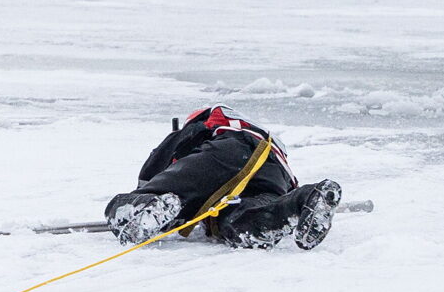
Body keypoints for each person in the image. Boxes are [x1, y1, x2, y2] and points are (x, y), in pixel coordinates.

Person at [105, 105, 343, 250]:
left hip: (230, 151)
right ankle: (303, 201)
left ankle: (142, 211)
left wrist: (148, 190)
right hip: (275, 175)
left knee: (135, 200)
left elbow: (168, 152)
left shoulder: (203, 124)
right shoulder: (259, 136)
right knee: (239, 224)